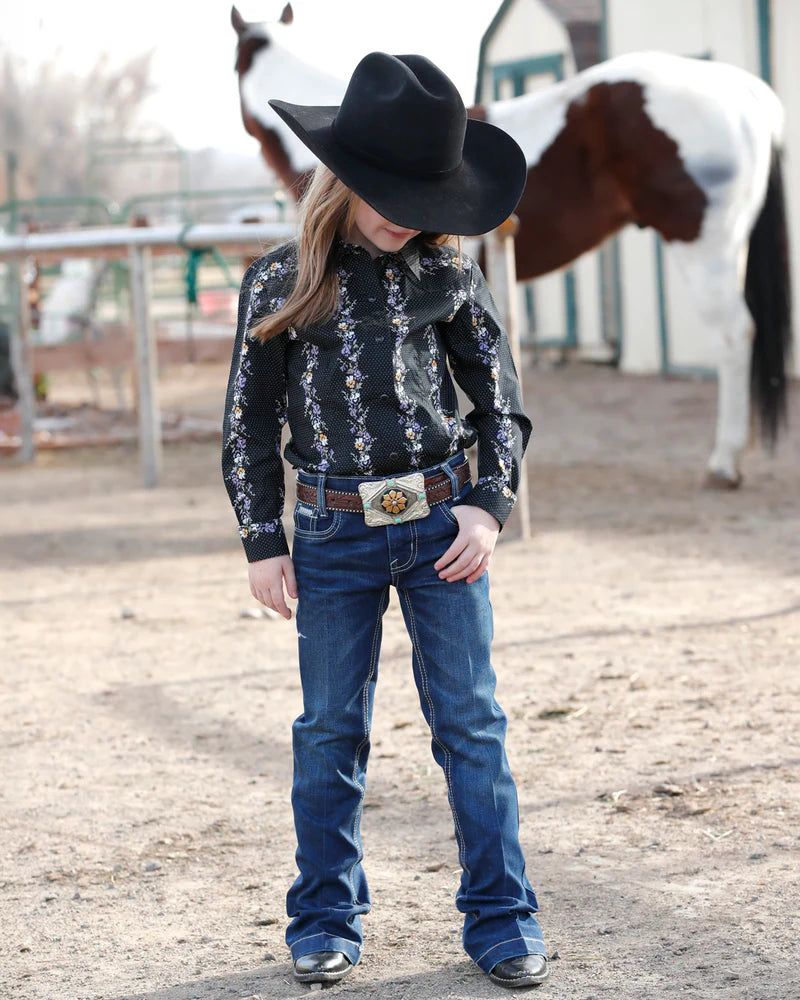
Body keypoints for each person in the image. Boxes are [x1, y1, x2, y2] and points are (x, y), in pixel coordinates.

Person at [222, 51, 548, 990]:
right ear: (345, 174)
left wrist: (489, 508)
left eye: (425, 190)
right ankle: (324, 918)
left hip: (445, 529)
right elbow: (249, 420)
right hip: (329, 539)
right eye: (388, 189)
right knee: (330, 730)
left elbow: (502, 407)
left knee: (473, 728)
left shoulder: (451, 272)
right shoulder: (281, 280)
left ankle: (502, 921)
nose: (407, 209)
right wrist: (261, 540)